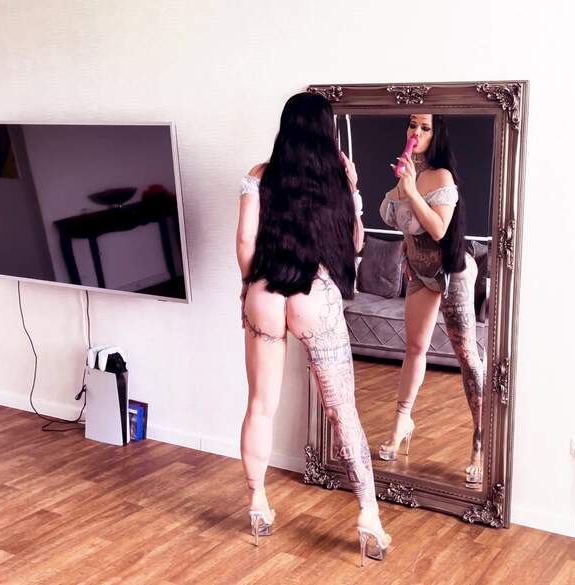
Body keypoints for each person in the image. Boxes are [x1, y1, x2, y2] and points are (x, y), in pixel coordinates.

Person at [236, 91, 390, 565]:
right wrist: (355, 190)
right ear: (327, 131)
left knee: (260, 406)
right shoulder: (336, 178)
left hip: (265, 289)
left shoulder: (260, 174)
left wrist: (249, 289)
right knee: (343, 412)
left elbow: (244, 242)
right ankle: (369, 517)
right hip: (314, 295)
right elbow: (356, 244)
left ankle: (258, 503)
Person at [377, 114, 485, 488]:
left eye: (425, 128)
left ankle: (480, 440)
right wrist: (407, 252)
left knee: (466, 355)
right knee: (414, 348)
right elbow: (404, 224)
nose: (416, 133)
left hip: (452, 272)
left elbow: (438, 230)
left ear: (436, 134)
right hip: (420, 274)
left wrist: (410, 190)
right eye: (412, 125)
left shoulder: (441, 177)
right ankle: (402, 422)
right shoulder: (407, 172)